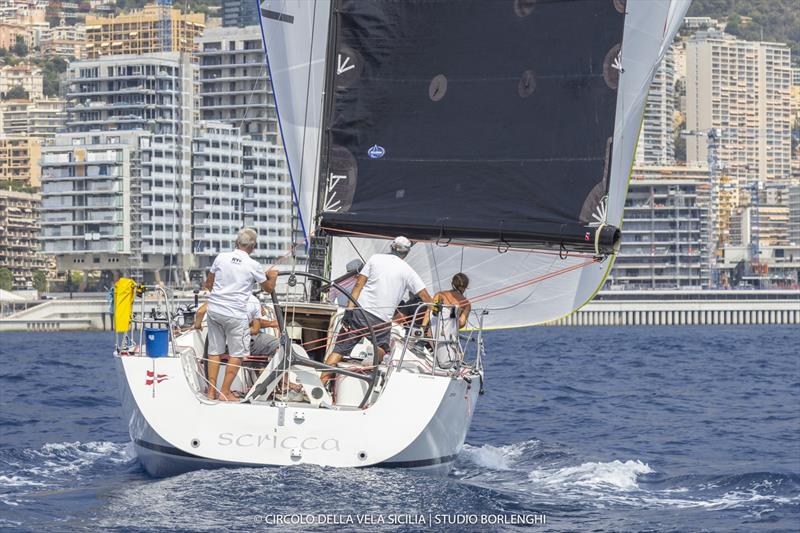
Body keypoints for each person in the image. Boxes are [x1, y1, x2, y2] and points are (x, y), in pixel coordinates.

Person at [322, 236, 433, 384]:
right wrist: (438, 307)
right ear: (407, 253)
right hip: (381, 320)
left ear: (391, 247)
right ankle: (368, 370)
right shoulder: (409, 271)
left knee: (339, 351)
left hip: (359, 313)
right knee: (381, 348)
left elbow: (358, 285)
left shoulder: (375, 259)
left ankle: (321, 383)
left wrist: (349, 311)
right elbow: (425, 297)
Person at [203, 228, 278, 401]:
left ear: (236, 243)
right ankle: (224, 392)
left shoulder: (221, 257)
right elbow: (268, 289)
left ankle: (211, 392)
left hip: (214, 310)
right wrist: (272, 276)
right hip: (235, 314)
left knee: (214, 351)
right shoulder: (253, 265)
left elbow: (208, 284)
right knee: (237, 354)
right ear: (253, 247)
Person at [422, 273, 471, 369]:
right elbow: (461, 324)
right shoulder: (466, 304)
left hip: (431, 337)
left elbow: (430, 312)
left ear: (452, 283)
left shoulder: (440, 295)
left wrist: (422, 327)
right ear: (465, 287)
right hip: (448, 340)